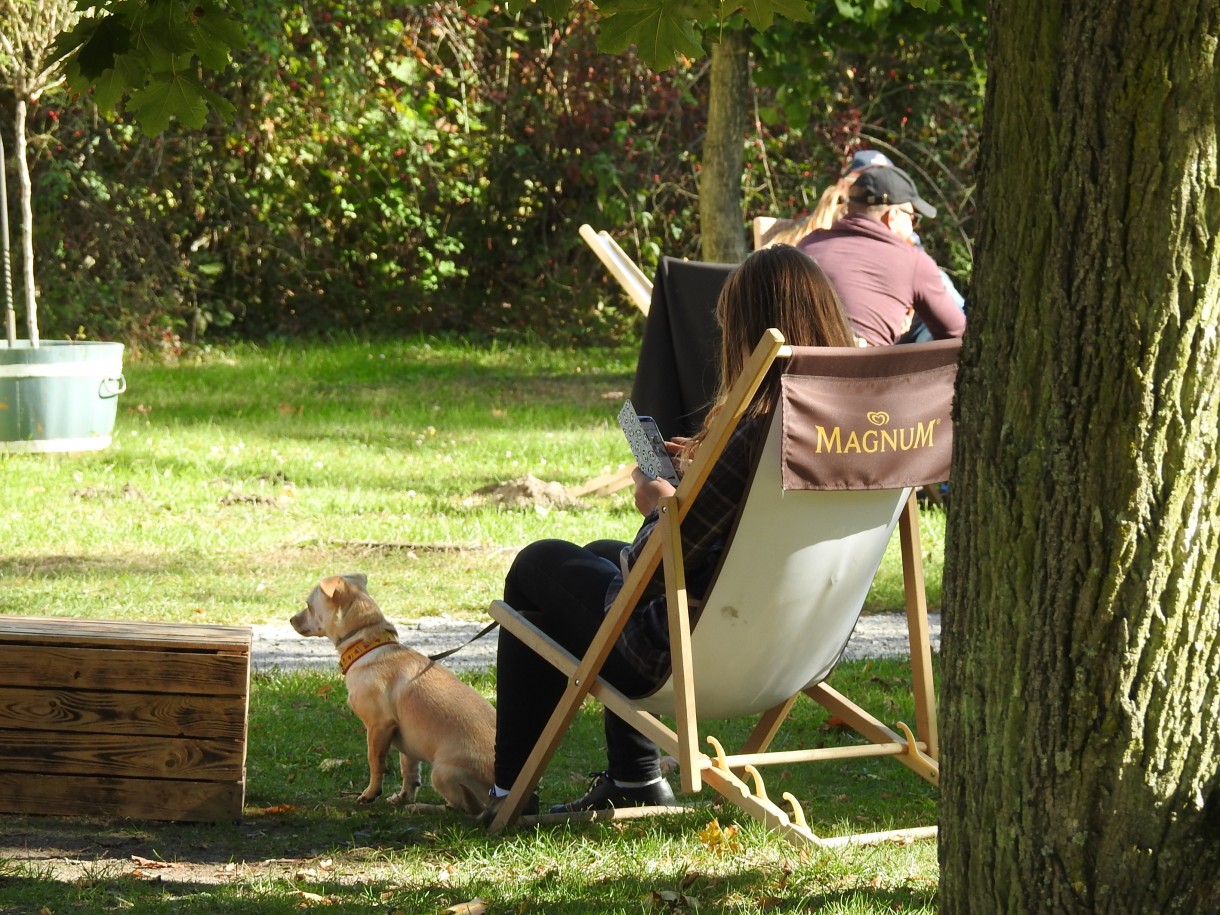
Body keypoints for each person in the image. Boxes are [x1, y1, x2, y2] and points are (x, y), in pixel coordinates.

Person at [480, 246, 857, 822]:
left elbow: (655, 565)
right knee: (599, 555)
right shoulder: (848, 434)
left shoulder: (755, 434)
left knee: (538, 564)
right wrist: (702, 475)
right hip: (796, 649)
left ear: (748, 333)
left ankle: (509, 793)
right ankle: (636, 777)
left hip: (686, 655)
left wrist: (661, 502)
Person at [796, 165, 966, 347]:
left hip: (797, 372)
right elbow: (957, 334)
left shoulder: (807, 246)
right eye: (913, 217)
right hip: (867, 373)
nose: (914, 227)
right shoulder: (912, 260)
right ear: (892, 216)